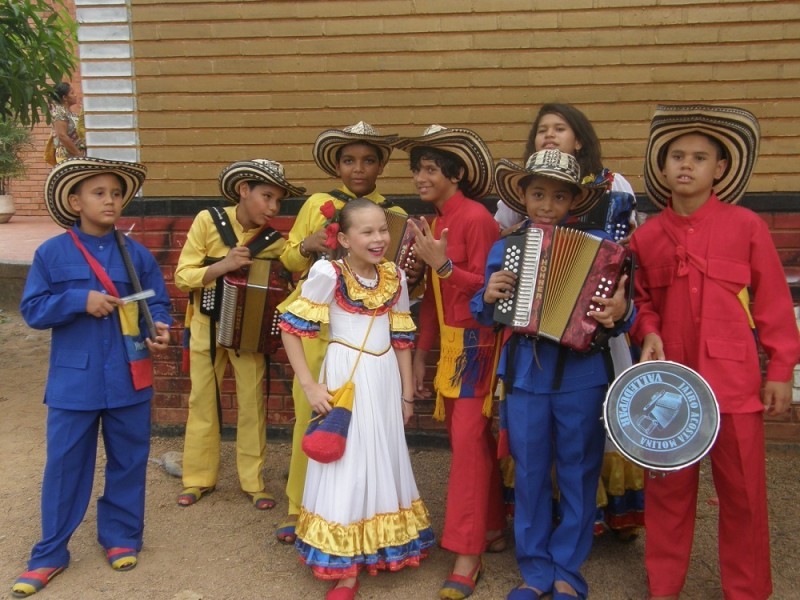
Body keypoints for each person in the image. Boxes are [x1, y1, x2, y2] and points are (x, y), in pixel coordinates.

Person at [631, 104, 800, 600]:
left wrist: (781, 369)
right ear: (663, 168)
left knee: (744, 492)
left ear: (720, 169)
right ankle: (664, 587)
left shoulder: (746, 227)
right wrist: (648, 329)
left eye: (700, 157)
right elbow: (640, 302)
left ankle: (747, 590)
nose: (686, 165)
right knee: (667, 492)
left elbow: (773, 303)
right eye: (676, 156)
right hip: (670, 387)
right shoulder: (646, 238)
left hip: (736, 384)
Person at [471, 149, 632, 600]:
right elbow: (483, 312)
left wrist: (620, 311)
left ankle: (568, 572)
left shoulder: (602, 247)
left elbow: (624, 314)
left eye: (558, 197)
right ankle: (535, 570)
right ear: (523, 197)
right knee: (530, 473)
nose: (546, 205)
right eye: (537, 194)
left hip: (584, 377)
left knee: (580, 472)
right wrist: (488, 296)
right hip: (526, 376)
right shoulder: (506, 247)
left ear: (573, 201)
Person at [11, 157, 172, 598]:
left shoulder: (136, 254)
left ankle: (121, 537)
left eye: (116, 194)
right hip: (73, 383)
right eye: (99, 193)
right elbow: (33, 311)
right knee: (65, 466)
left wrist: (160, 327)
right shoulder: (51, 253)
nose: (110, 201)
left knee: (129, 460)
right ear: (74, 201)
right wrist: (78, 300)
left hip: (129, 376)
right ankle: (50, 553)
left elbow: (157, 303)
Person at [497, 103, 644, 536]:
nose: (549, 134)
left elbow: (628, 266)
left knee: (584, 445)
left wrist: (620, 307)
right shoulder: (516, 229)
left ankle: (591, 529)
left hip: (588, 348)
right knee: (532, 455)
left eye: (559, 128)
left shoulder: (610, 196)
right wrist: (496, 291)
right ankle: (538, 544)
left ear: (579, 138)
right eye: (542, 128)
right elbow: (491, 279)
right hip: (529, 358)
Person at [279, 198, 434, 600]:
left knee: (382, 456)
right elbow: (290, 328)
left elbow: (402, 338)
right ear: (345, 239)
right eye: (367, 232)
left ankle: (377, 546)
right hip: (345, 375)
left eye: (382, 229)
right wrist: (310, 385)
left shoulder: (395, 276)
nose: (379, 238)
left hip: (383, 378)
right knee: (346, 462)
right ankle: (344, 570)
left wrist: (406, 394)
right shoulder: (327, 273)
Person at [276, 121, 405, 544]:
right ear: (336, 165)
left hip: (367, 336)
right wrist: (309, 244)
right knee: (314, 417)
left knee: (366, 430)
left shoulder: (393, 216)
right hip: (317, 329)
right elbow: (288, 259)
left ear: (381, 166)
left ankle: (359, 515)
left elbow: (397, 284)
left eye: (368, 160)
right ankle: (300, 507)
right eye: (349, 160)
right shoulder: (317, 203)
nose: (358, 168)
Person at [393, 124, 506, 600]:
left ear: (456, 175)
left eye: (430, 169)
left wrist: (443, 267)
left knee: (467, 447)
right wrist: (422, 355)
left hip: (480, 346)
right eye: (417, 169)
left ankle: (466, 554)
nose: (421, 177)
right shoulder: (435, 223)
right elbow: (436, 301)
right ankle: (492, 527)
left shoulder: (477, 219)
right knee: (472, 444)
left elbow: (494, 289)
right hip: (452, 350)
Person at [174, 159, 305, 510]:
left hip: (249, 333)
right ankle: (198, 478)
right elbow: (183, 276)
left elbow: (291, 269)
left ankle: (254, 482)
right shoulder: (208, 221)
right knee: (202, 400)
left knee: (252, 404)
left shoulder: (273, 242)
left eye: (278, 201)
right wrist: (223, 265)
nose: (273, 207)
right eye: (267, 197)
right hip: (205, 325)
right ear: (244, 190)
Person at [48, 82, 85, 164]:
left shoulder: (69, 113)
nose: (75, 95)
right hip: (67, 157)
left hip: (74, 156)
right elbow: (62, 135)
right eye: (72, 93)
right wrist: (78, 154)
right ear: (65, 97)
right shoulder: (60, 112)